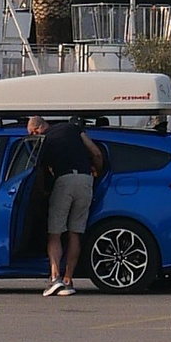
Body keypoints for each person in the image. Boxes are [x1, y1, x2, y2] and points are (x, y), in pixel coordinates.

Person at [26, 111, 105, 298]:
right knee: (75, 232)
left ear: (37, 129)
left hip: (64, 181)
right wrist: (97, 174)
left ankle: (55, 278)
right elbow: (96, 152)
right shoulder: (72, 128)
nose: (32, 136)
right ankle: (69, 280)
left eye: (31, 133)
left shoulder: (44, 141)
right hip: (85, 180)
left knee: (55, 232)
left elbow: (40, 172)